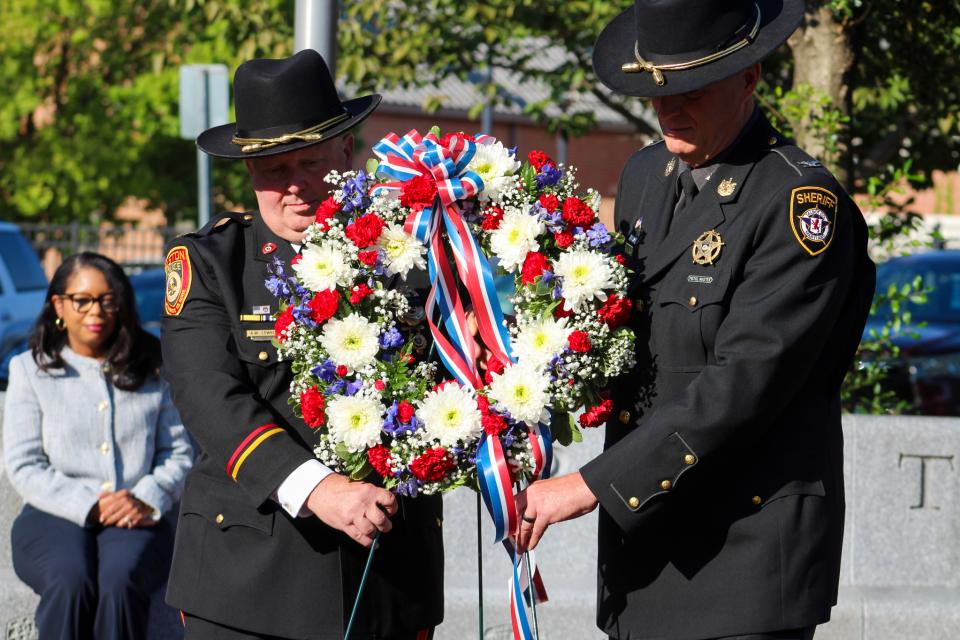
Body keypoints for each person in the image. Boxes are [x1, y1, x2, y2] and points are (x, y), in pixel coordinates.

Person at [514, 1, 876, 639]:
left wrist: (589, 486)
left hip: (742, 558)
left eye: (692, 90)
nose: (669, 108)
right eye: (656, 92)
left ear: (749, 78)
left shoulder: (797, 206)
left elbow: (745, 380)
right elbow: (624, 340)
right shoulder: (645, 176)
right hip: (646, 549)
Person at [161, 49, 443, 639]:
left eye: (311, 163)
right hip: (252, 584)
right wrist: (321, 489)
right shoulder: (212, 263)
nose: (294, 188)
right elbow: (209, 397)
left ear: (346, 150)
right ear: (246, 170)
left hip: (387, 575)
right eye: (272, 170)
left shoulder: (408, 254)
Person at [3, 252, 194, 640]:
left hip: (137, 510)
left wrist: (147, 496)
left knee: (120, 580)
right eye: (82, 300)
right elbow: (24, 464)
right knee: (69, 580)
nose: (97, 311)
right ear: (59, 304)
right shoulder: (30, 369)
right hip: (52, 514)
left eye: (108, 299)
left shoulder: (152, 364)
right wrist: (90, 503)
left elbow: (177, 453)